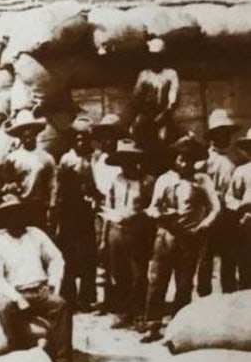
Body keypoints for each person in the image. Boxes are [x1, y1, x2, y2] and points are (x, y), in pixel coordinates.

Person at [0, 192, 76, 362]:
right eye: (9, 214)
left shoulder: (36, 234)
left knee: (61, 305)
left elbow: (56, 258)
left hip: (40, 290)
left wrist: (52, 283)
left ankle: (62, 360)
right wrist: (17, 298)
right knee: (4, 310)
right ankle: (20, 356)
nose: (15, 218)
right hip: (15, 293)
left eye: (17, 213)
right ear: (4, 219)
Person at [141, 134, 220, 342]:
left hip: (190, 238)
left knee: (184, 283)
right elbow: (152, 207)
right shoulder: (165, 179)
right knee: (157, 280)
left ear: (195, 160)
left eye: (190, 159)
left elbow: (215, 208)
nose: (185, 163)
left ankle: (178, 326)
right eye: (181, 158)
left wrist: (203, 226)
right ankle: (153, 324)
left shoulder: (202, 180)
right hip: (166, 236)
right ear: (175, 158)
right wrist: (160, 215)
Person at [100, 140, 155, 330]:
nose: (127, 164)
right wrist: (103, 238)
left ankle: (139, 313)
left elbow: (152, 208)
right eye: (123, 160)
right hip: (116, 231)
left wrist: (138, 216)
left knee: (138, 275)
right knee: (119, 274)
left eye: (130, 159)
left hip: (137, 233)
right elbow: (108, 207)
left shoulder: (147, 181)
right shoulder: (116, 180)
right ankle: (123, 312)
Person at [52, 115, 99, 309]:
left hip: (89, 211)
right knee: (69, 255)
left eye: (84, 138)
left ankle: (87, 296)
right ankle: (69, 296)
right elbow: (59, 186)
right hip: (69, 212)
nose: (81, 142)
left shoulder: (95, 158)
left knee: (89, 255)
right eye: (77, 138)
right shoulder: (67, 158)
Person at [196, 108, 239, 296]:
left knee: (229, 257)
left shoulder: (236, 157)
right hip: (209, 213)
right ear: (212, 136)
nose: (223, 137)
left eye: (226, 132)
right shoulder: (205, 159)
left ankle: (228, 295)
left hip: (230, 215)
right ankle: (204, 295)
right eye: (218, 133)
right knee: (205, 257)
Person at [90, 113, 126, 313]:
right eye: (103, 136)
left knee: (118, 257)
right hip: (100, 212)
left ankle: (121, 299)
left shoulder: (123, 159)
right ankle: (106, 300)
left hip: (117, 213)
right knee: (102, 256)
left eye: (110, 136)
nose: (106, 140)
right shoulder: (99, 160)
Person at [2, 109, 56, 232]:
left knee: (39, 234)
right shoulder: (13, 158)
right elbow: (7, 182)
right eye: (24, 135)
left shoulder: (46, 157)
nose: (28, 138)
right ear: (20, 137)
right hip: (19, 204)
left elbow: (52, 184)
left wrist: (52, 205)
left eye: (31, 134)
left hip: (39, 205)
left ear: (36, 134)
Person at [132, 37, 180, 163]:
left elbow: (173, 95)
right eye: (153, 56)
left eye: (158, 56)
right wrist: (145, 113)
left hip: (164, 113)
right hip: (147, 114)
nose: (155, 60)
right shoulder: (144, 75)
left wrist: (166, 112)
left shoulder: (171, 74)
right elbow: (136, 97)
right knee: (137, 133)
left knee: (167, 139)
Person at [227, 127, 251, 289]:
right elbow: (229, 197)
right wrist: (241, 207)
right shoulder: (242, 171)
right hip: (247, 224)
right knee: (246, 266)